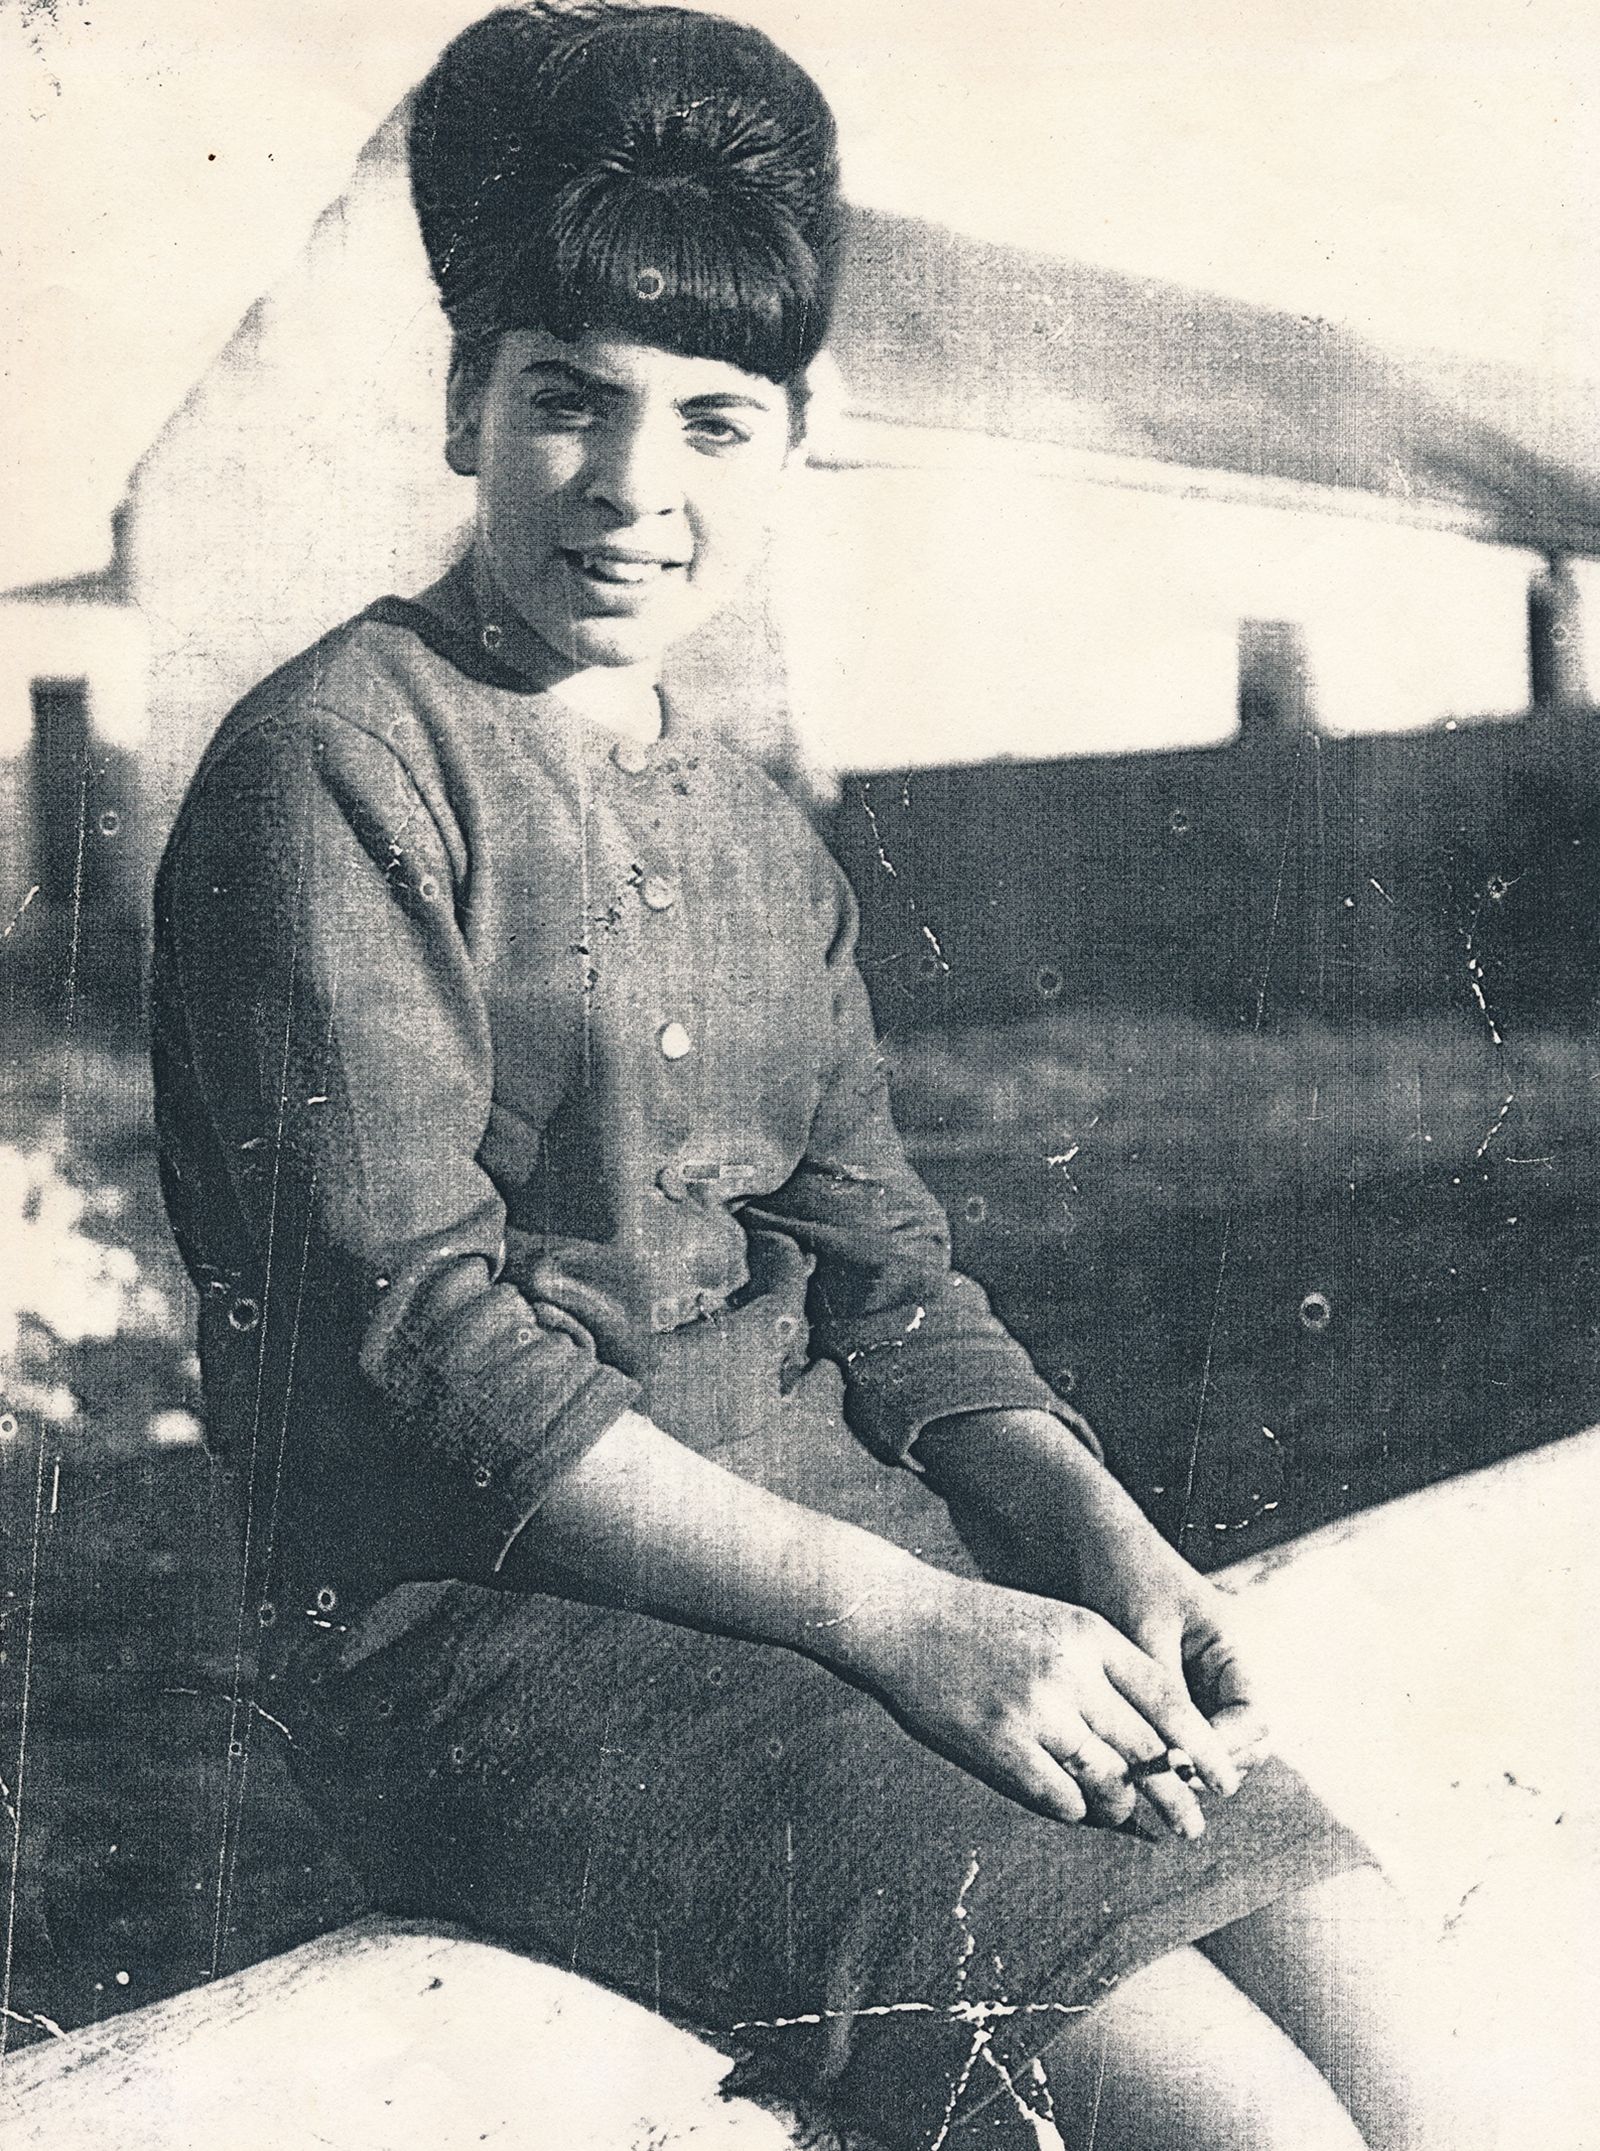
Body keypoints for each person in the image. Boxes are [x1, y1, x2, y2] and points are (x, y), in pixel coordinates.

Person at [149, 7, 1463, 2145]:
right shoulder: (332, 767)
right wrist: (922, 1627)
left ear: (791, 435)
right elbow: (417, 1345)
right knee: (1239, 2128)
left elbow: (886, 1266)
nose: (629, 489)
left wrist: (1097, 1539)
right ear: (463, 401)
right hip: (506, 1642)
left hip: (868, 1566)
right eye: (566, 402)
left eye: (710, 420)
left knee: (1404, 2022)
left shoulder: (752, 820)